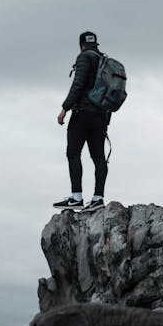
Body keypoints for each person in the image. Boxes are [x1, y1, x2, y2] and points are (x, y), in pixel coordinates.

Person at [54, 31, 110, 212]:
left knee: (73, 153)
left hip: (83, 112)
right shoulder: (104, 60)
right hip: (101, 114)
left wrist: (64, 108)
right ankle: (98, 198)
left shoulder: (84, 57)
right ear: (96, 44)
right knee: (99, 156)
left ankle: (76, 197)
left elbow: (78, 85)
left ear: (81, 45)